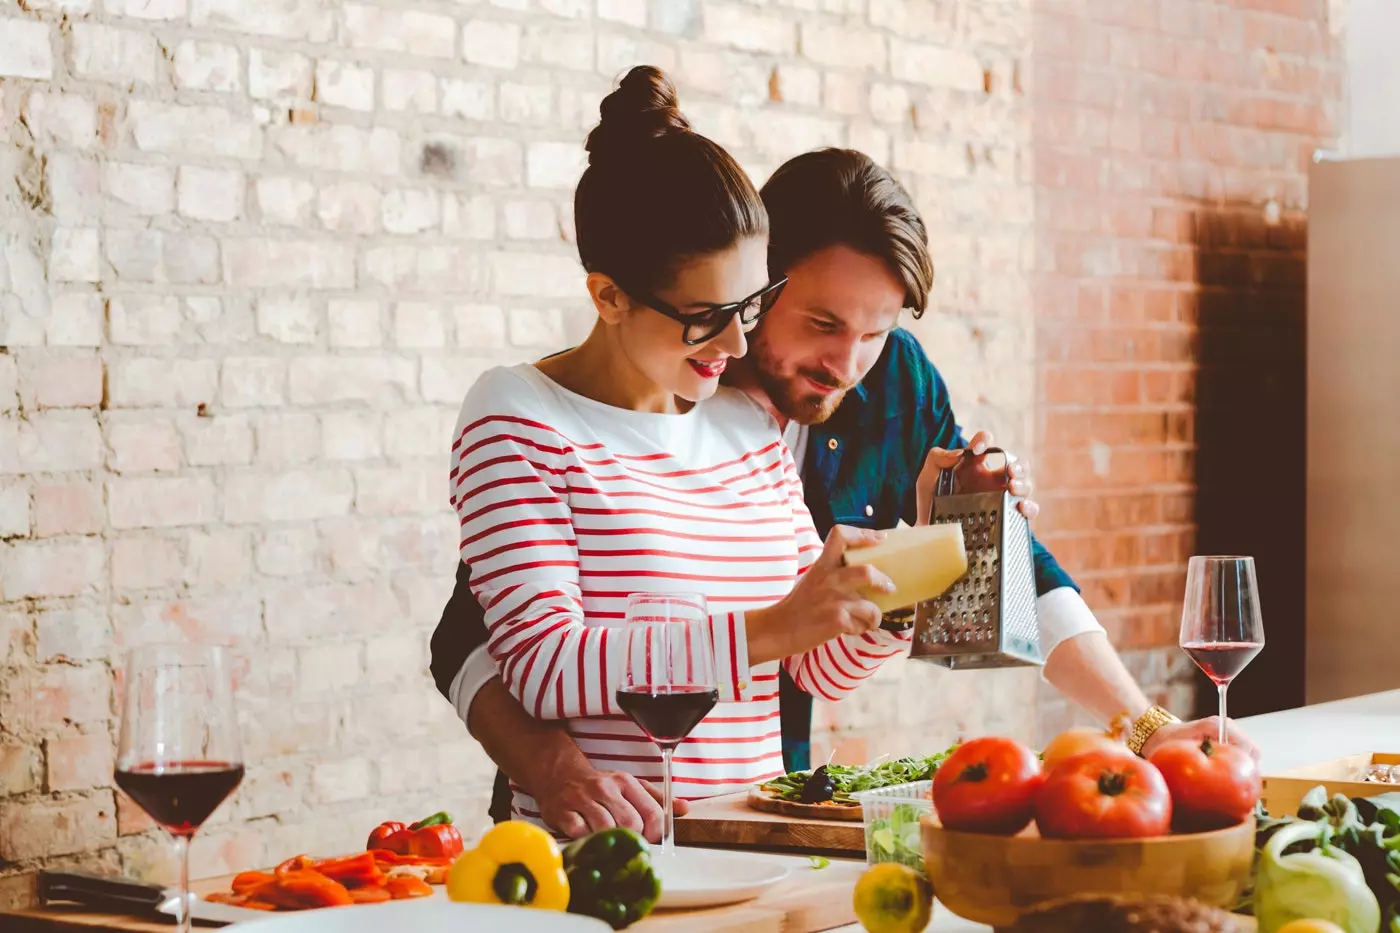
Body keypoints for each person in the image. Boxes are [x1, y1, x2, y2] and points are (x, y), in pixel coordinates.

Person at [433, 142, 1257, 840]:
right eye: (822, 324)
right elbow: (495, 638)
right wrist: (548, 759)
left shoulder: (880, 386)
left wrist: (944, 550)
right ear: (758, 284)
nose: (848, 363)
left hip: (753, 802)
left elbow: (941, 603)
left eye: (879, 330)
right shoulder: (590, 401)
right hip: (599, 822)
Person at [447, 67, 914, 828]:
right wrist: (770, 626)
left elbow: (814, 666)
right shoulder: (521, 415)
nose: (738, 340)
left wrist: (892, 604)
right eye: (708, 314)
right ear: (608, 296)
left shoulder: (745, 424)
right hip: (597, 862)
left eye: (752, 304)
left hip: (751, 847)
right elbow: (541, 666)